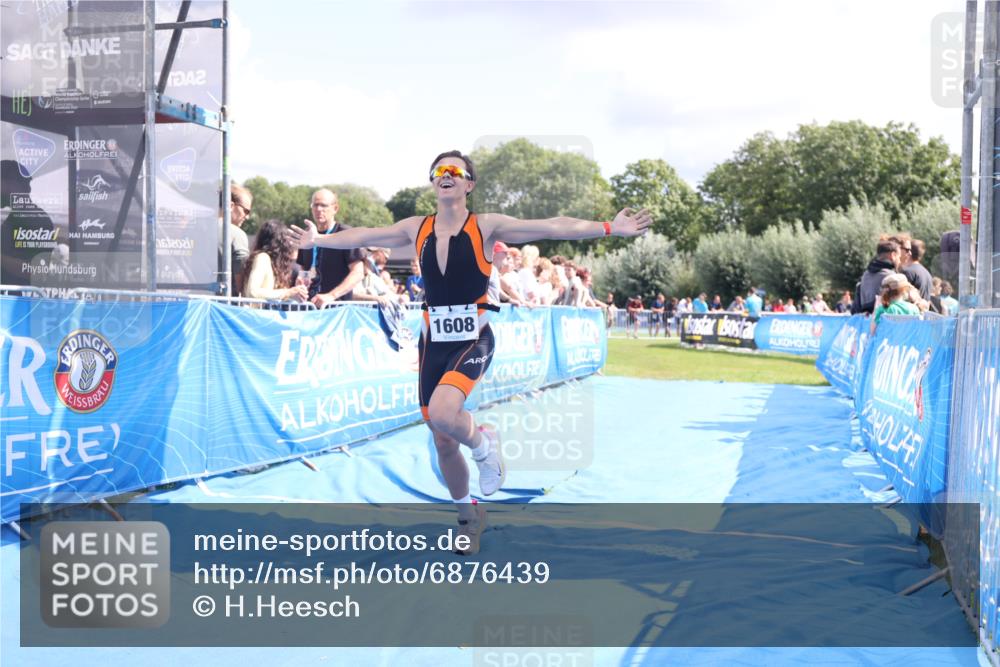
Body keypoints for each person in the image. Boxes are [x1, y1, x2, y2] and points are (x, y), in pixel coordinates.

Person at [290, 149, 650, 554]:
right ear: (433, 182)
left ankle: (483, 444)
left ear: (468, 184)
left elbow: (550, 225)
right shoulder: (416, 228)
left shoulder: (486, 226)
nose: (446, 175)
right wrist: (319, 239)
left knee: (446, 414)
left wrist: (609, 228)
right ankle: (468, 516)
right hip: (433, 342)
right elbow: (363, 236)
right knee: (442, 437)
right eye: (438, 170)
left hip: (473, 338)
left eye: (454, 171)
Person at [297, 189, 366, 308]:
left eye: (323, 205)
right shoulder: (307, 235)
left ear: (335, 209)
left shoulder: (345, 234)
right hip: (309, 308)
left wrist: (331, 296)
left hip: (337, 310)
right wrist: (301, 279)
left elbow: (358, 273)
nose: (318, 209)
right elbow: (304, 267)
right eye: (315, 205)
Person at [1, 160, 57, 286]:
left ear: (11, 184)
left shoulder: (35, 219)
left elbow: (38, 271)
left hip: (18, 301)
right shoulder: (18, 216)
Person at [238, 220, 309, 302]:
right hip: (257, 313)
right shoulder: (262, 258)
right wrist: (287, 292)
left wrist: (294, 292)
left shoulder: (270, 262)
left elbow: (271, 295)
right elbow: (253, 291)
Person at [853, 238, 901, 314]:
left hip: (865, 323)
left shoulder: (865, 275)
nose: (899, 261)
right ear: (893, 255)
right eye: (899, 257)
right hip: (883, 322)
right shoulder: (891, 277)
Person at [222, 183, 252, 296]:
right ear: (230, 205)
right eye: (246, 211)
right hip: (224, 307)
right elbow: (241, 281)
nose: (247, 217)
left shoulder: (198, 230)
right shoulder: (237, 234)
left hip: (194, 306)